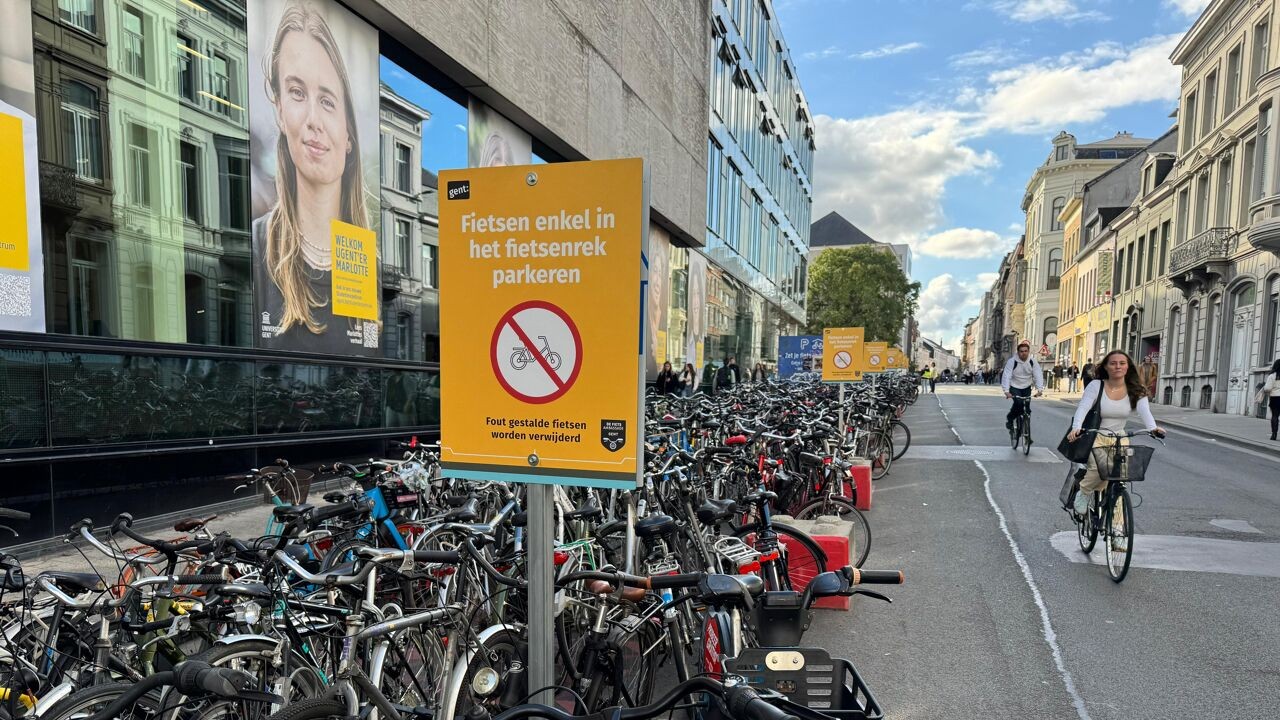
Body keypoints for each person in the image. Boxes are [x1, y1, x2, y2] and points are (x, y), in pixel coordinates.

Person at [255, 2, 371, 355]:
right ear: (279, 110)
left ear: (348, 132)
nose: (313, 120)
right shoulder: (256, 249)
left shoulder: (365, 262)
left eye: (327, 100)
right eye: (297, 92)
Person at [1066, 350, 1166, 523]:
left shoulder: (1135, 389)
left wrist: (1153, 428)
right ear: (1106, 367)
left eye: (1122, 363)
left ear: (1128, 367)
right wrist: (1076, 428)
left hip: (1120, 437)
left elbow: (1145, 411)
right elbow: (1083, 408)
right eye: (1113, 363)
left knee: (1119, 480)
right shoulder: (1096, 386)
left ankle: (1117, 528)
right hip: (1095, 435)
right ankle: (1084, 493)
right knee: (1098, 470)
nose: (1117, 366)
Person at [1001, 340, 1045, 430]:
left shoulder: (1032, 362)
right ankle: (1010, 419)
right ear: (1018, 352)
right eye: (1021, 351)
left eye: (1026, 351)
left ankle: (1026, 430)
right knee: (1019, 404)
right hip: (1014, 386)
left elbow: (1038, 375)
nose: (1024, 353)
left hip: (1026, 387)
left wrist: (1040, 389)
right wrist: (1006, 391)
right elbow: (1006, 376)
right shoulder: (1012, 362)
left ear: (1028, 352)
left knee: (1027, 408)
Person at [1258, 358, 1280, 441]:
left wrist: (1264, 389)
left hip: (1275, 398)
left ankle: (1274, 434)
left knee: (1275, 416)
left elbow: (1267, 388)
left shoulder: (1272, 376)